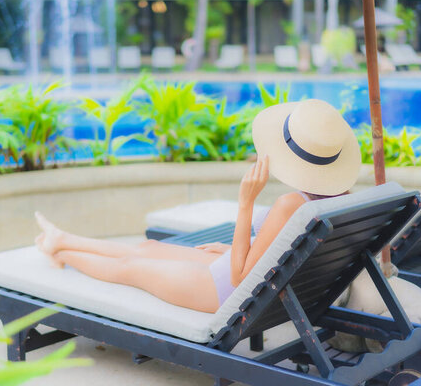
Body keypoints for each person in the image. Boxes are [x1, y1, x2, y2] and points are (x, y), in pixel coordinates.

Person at [35, 99, 362, 313]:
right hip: (254, 278)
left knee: (128, 269)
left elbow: (239, 279)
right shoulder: (343, 199)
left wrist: (245, 202)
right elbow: (284, 255)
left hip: (223, 293)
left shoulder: (290, 204)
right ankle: (62, 239)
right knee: (148, 246)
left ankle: (60, 253)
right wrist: (234, 249)